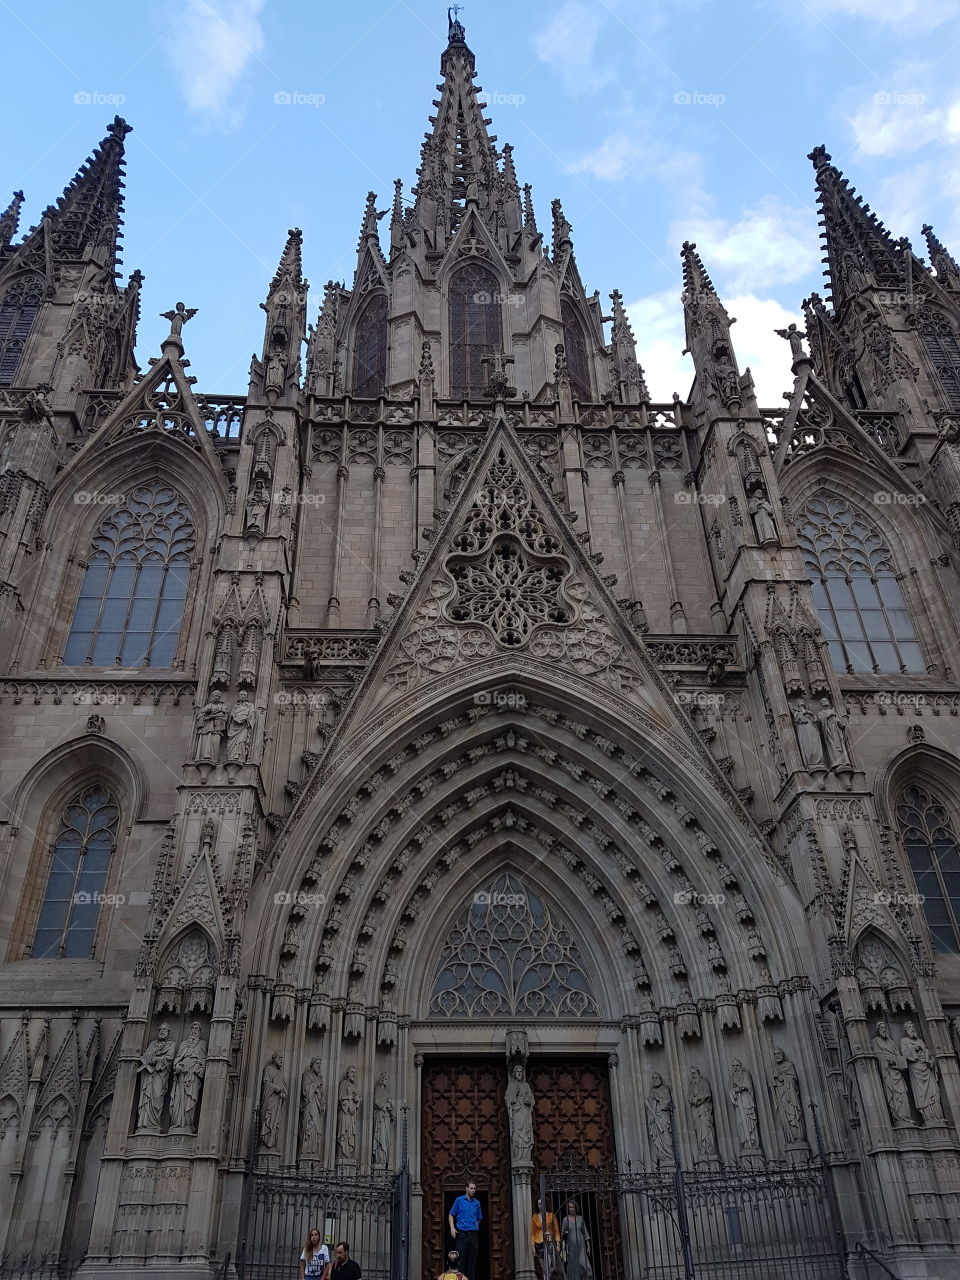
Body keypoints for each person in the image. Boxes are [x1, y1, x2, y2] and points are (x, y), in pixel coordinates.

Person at [448, 1180, 482, 1280]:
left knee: (472, 1262)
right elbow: (451, 1214)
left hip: (473, 1235)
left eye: (475, 1189)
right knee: (460, 1261)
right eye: (471, 1188)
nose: (473, 1190)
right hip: (462, 1234)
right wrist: (452, 1228)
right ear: (466, 1189)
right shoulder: (459, 1200)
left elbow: (479, 1218)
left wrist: (474, 1226)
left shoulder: (477, 1203)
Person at [560, 1200, 593, 1280]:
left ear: (576, 1208)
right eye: (570, 1207)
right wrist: (565, 1232)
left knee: (585, 1266)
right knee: (574, 1267)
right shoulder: (565, 1219)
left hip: (581, 1246)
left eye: (572, 1207)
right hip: (571, 1247)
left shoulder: (580, 1219)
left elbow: (585, 1232)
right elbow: (562, 1234)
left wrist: (588, 1246)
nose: (571, 1209)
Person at [531, 1197, 560, 1280]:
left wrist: (558, 1243)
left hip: (549, 1241)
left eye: (542, 1203)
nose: (540, 1205)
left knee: (549, 1265)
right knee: (543, 1268)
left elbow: (556, 1230)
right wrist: (532, 1246)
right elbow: (533, 1232)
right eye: (539, 1204)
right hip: (538, 1243)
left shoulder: (551, 1215)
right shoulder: (535, 1217)